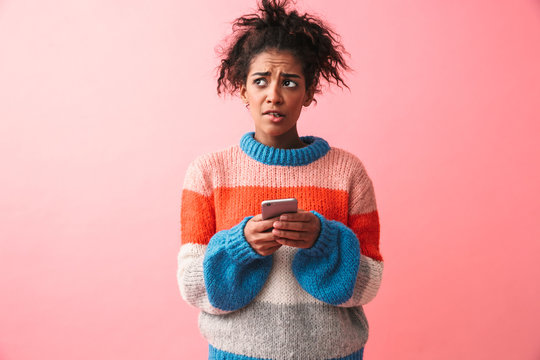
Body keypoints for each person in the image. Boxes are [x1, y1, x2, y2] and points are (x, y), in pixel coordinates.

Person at [177, 0, 383, 358]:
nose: (274, 95)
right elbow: (194, 289)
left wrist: (324, 240)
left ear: (309, 91)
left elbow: (368, 284)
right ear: (243, 90)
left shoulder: (348, 173)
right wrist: (240, 247)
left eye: (289, 82)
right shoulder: (208, 174)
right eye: (260, 81)